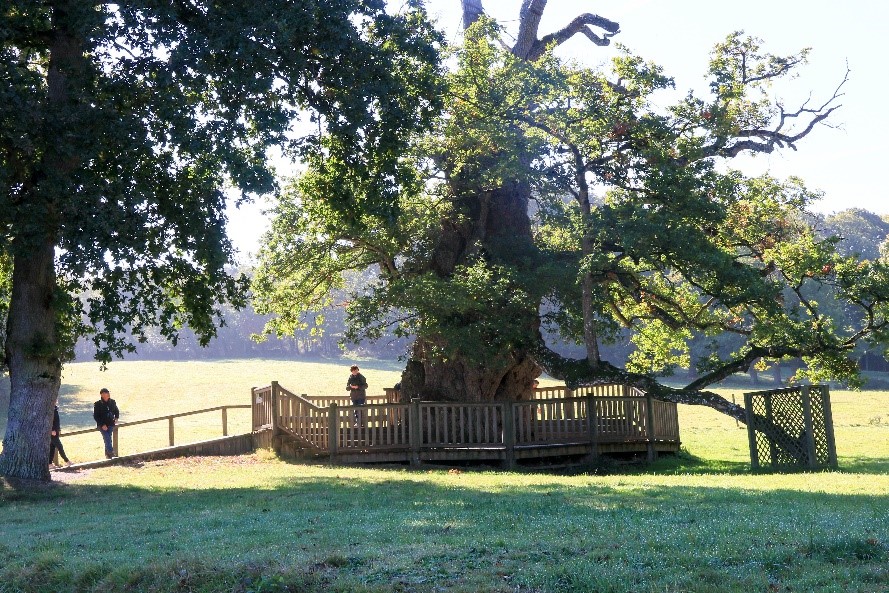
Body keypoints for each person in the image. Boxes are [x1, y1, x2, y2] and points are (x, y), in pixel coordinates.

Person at [93, 388, 120, 459]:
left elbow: (116, 411)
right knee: (107, 438)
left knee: (108, 439)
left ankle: (108, 456)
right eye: (105, 393)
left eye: (107, 392)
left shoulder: (113, 402)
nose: (107, 394)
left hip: (110, 424)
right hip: (102, 425)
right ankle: (111, 452)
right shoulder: (97, 404)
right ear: (102, 394)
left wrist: (116, 418)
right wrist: (102, 425)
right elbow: (96, 416)